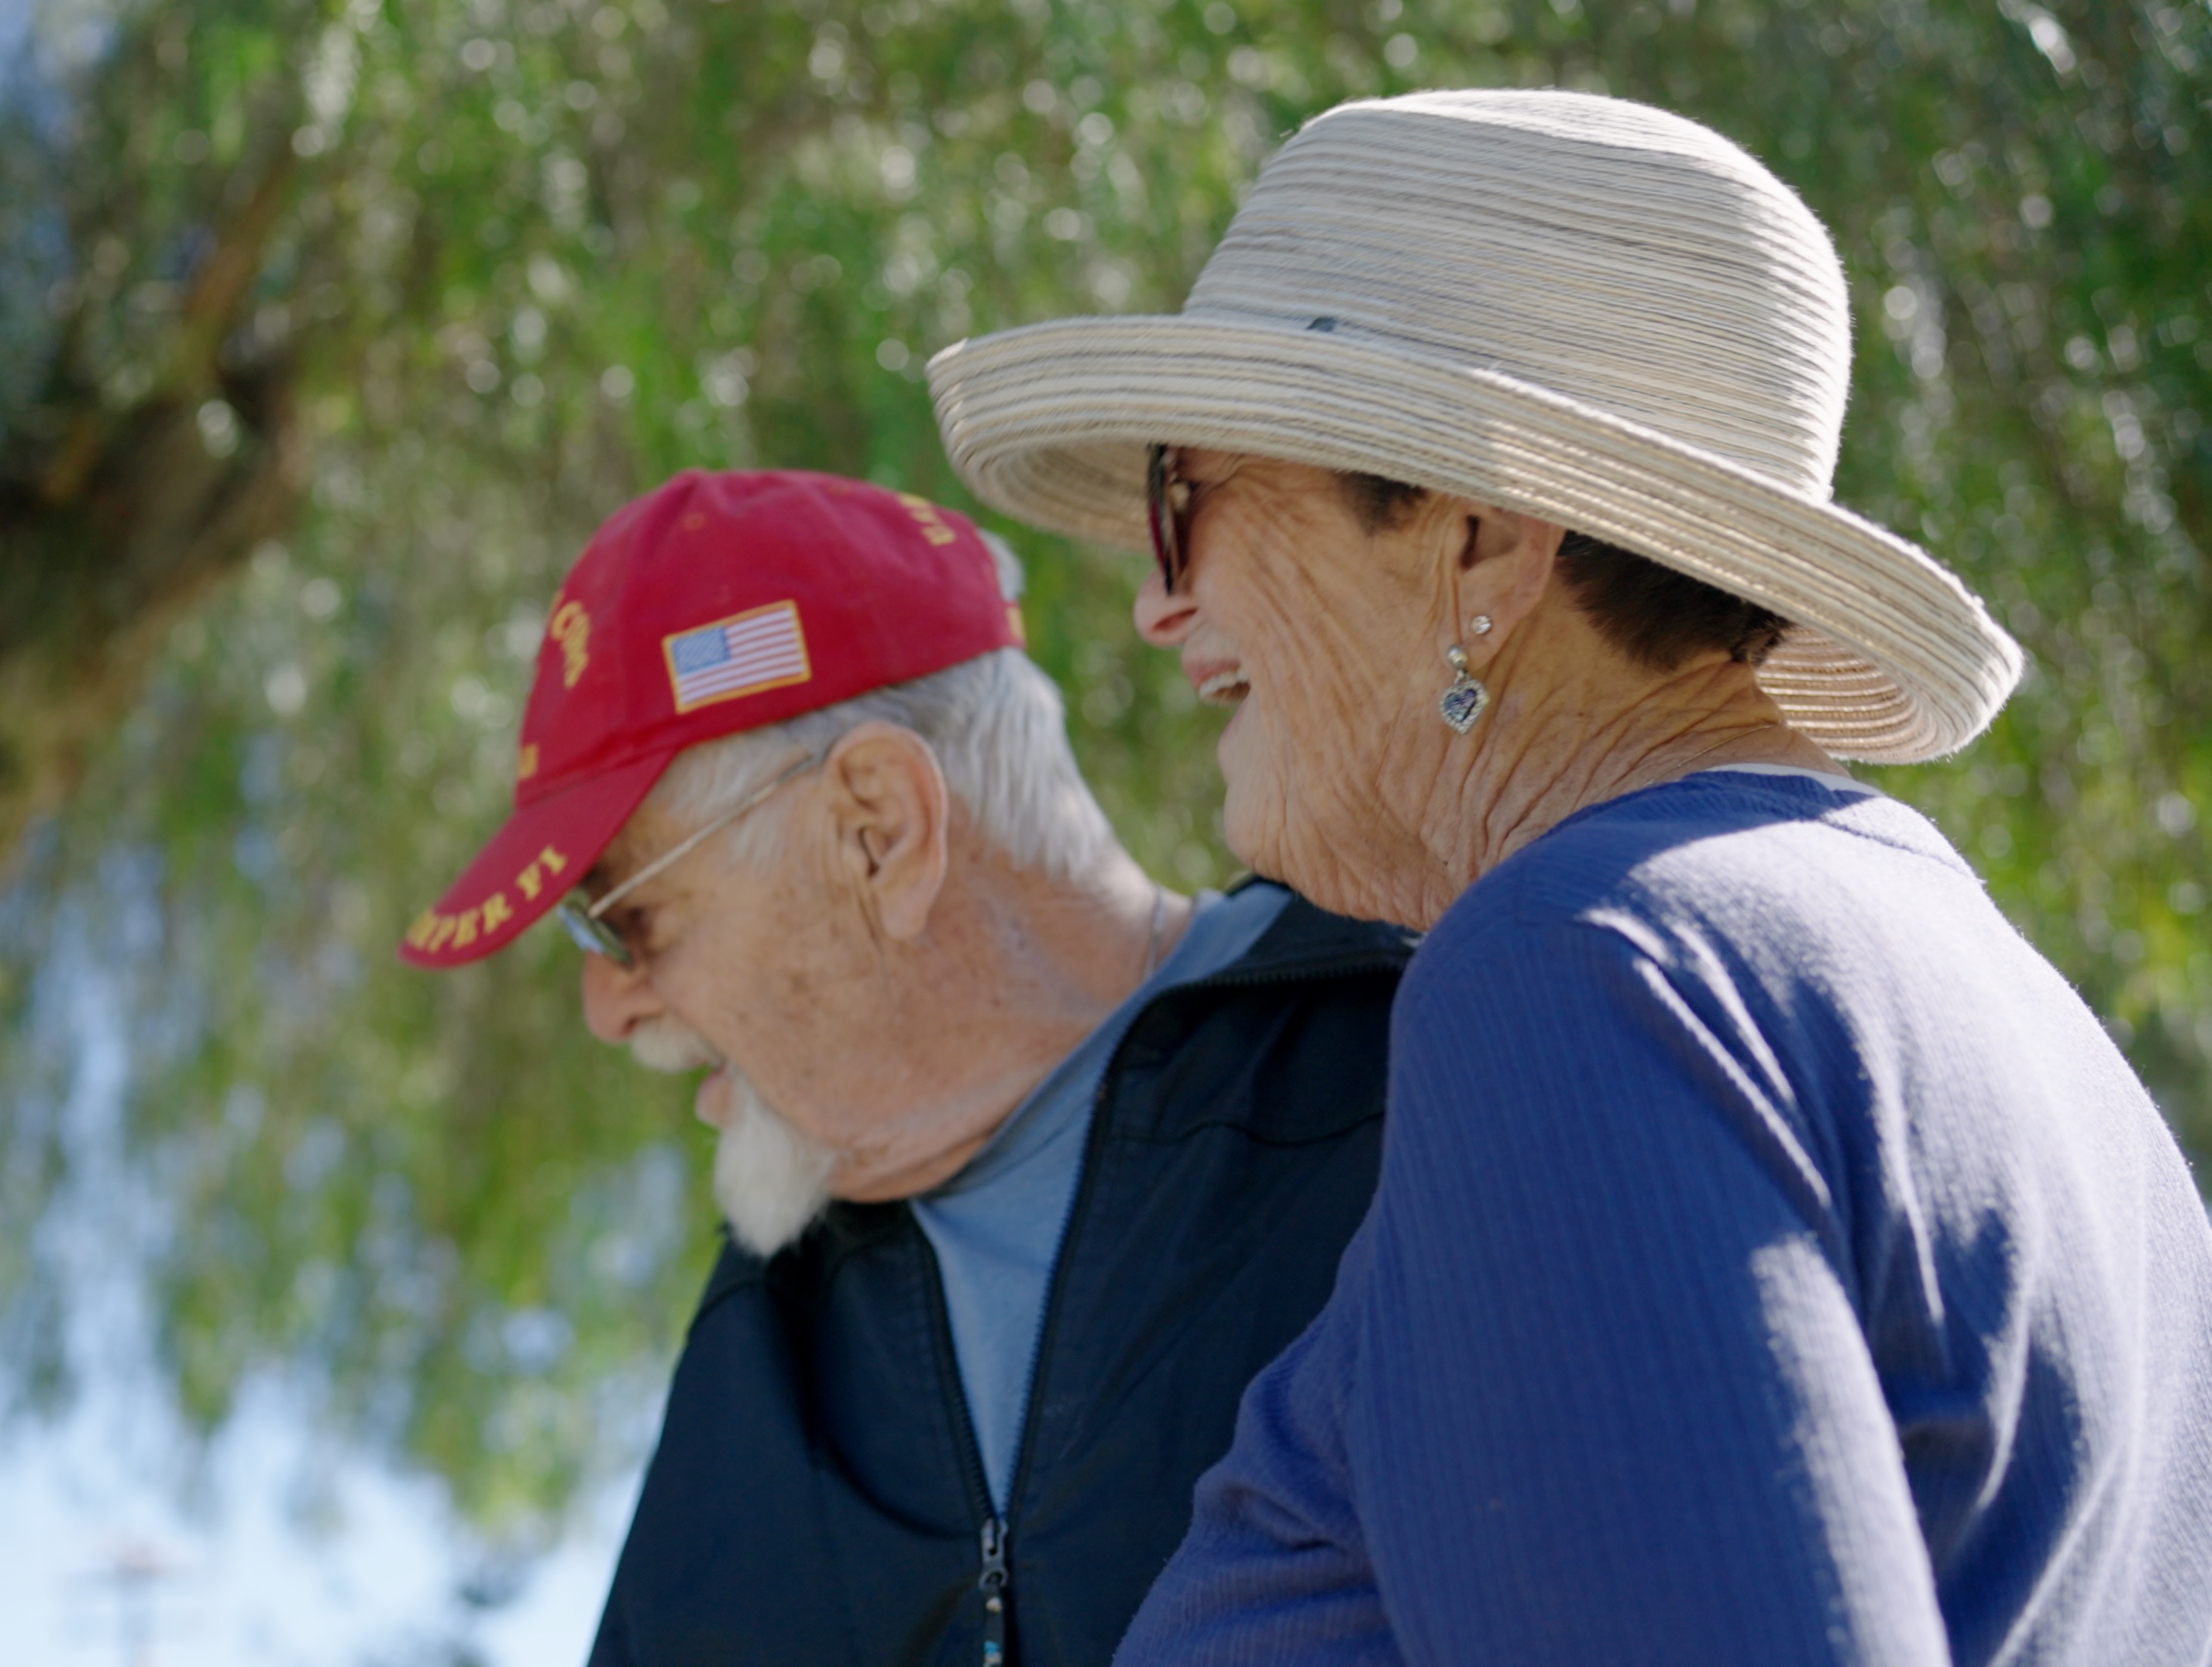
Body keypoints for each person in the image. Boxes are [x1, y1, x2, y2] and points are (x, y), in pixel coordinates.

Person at [929, 88, 2212, 1665]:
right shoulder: (2018, 1029)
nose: (1150, 603)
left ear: (1474, 541)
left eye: (1183, 501)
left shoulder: (1581, 959)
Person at [398, 469, 1412, 1665]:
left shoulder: (1418, 1064)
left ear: (879, 830)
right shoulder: (764, 1329)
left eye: (624, 920)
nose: (609, 1009)